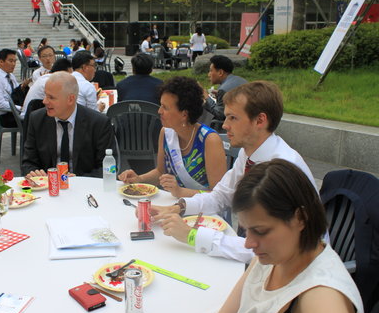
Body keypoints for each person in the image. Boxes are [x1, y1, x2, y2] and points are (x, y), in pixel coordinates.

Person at [152, 81, 315, 263]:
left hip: (290, 271)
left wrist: (192, 236)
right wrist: (178, 207)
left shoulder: (283, 168)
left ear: (260, 120)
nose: (224, 126)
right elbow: (220, 195)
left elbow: (268, 248)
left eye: (233, 118)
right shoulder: (249, 153)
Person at [209, 159, 364, 313]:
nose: (248, 243)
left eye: (260, 231)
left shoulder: (321, 296)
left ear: (300, 218)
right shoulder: (275, 255)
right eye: (246, 229)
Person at [119, 76, 226, 198]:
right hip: (174, 205)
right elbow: (160, 172)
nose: (159, 111)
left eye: (165, 107)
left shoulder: (209, 140)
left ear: (184, 114)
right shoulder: (166, 132)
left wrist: (181, 192)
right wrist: (139, 178)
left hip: (204, 212)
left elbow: (218, 196)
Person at [22, 71, 115, 178]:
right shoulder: (37, 119)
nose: (44, 101)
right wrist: (34, 173)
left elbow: (108, 168)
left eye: (51, 97)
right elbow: (28, 162)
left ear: (70, 99)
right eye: (45, 95)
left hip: (85, 187)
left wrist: (78, 180)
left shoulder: (98, 123)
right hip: (47, 186)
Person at [0, 48, 31, 127]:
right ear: (1, 62)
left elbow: (16, 93)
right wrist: (20, 108)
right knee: (36, 120)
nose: (14, 64)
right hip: (7, 116)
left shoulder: (11, 75)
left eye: (15, 61)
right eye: (11, 61)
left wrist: (23, 86)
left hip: (16, 112)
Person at [203, 55, 247, 125]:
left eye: (211, 71)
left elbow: (219, 115)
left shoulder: (223, 90)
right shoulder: (241, 80)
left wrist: (206, 96)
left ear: (220, 72)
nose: (209, 74)